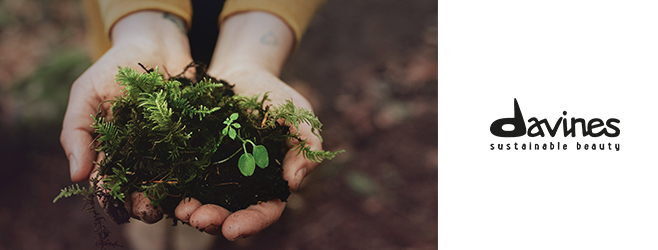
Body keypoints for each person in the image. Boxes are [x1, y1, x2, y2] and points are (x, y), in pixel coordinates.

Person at [60, 0, 325, 248]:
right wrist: (144, 27)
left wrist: (254, 53)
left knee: (195, 216)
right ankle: (148, 238)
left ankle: (192, 240)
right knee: (146, 206)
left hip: (239, 38)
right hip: (128, 20)